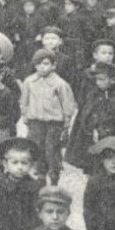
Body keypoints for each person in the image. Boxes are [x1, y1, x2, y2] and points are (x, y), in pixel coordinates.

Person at [19, 49, 77, 186]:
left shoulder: (60, 84)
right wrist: (26, 117)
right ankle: (40, 177)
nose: (42, 67)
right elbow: (24, 101)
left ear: (53, 65)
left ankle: (54, 177)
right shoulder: (29, 81)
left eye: (45, 64)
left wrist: (66, 122)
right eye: (38, 64)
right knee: (37, 148)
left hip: (54, 123)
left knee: (52, 150)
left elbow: (68, 104)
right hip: (36, 122)